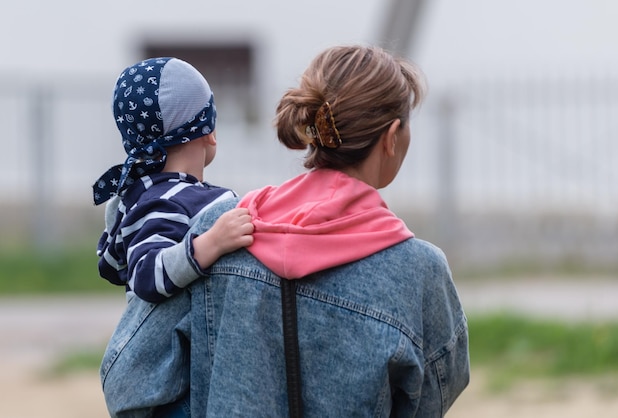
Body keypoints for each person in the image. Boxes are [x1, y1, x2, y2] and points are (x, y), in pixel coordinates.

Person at [181, 44, 470, 416]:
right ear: (392, 136)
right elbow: (435, 395)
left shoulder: (214, 235)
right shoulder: (419, 271)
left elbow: (136, 376)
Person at [93, 57, 253, 417]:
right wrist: (209, 245)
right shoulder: (165, 200)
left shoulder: (144, 194)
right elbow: (147, 274)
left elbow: (114, 261)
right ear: (208, 131)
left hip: (172, 373)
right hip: (168, 383)